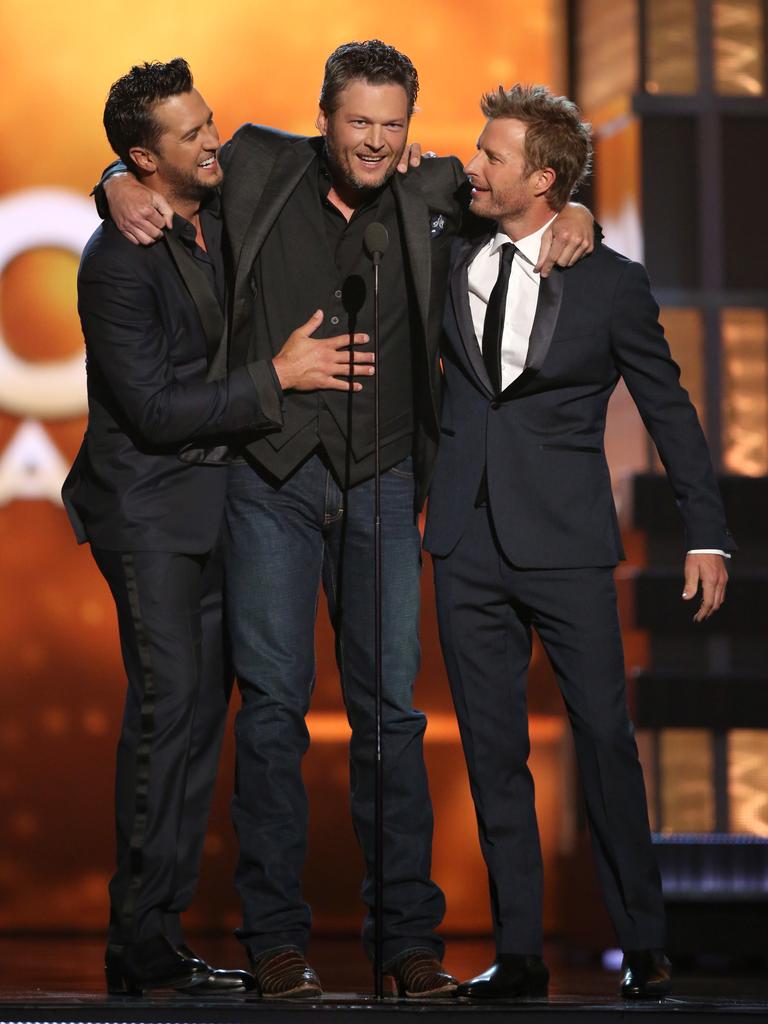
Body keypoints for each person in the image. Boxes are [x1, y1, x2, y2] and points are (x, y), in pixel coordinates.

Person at [98, 41, 594, 998]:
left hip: (380, 477)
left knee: (389, 719)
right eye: (357, 121)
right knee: (275, 713)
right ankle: (274, 941)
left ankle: (406, 940)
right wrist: (113, 178)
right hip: (269, 479)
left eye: (391, 124)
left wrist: (572, 207)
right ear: (323, 117)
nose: (374, 141)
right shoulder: (252, 163)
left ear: (411, 126)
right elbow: (156, 158)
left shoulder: (438, 188)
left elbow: (538, 187)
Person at [63, 58, 372, 996]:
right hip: (151, 512)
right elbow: (153, 410)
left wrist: (577, 213)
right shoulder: (116, 259)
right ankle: (137, 937)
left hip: (220, 504)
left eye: (210, 122)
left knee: (201, 722)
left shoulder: (216, 199)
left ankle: (154, 932)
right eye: (190, 134)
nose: (214, 141)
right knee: (168, 717)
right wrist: (276, 378)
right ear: (141, 159)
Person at [424, 84, 735, 1001]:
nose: (471, 165)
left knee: (604, 739)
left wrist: (707, 535)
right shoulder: (453, 233)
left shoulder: (608, 279)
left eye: (492, 156)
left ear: (544, 179)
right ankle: (519, 951)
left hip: (564, 543)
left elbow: (669, 410)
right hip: (464, 540)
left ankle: (644, 943)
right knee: (492, 749)